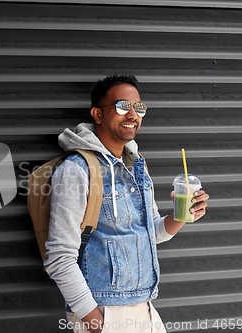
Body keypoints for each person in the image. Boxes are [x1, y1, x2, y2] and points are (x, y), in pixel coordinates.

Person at [44, 74, 209, 333]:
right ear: (97, 115)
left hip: (145, 307)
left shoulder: (137, 165)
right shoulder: (77, 170)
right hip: (105, 312)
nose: (132, 114)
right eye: (122, 106)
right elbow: (59, 257)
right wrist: (96, 322)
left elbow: (149, 233)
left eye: (139, 108)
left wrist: (181, 216)